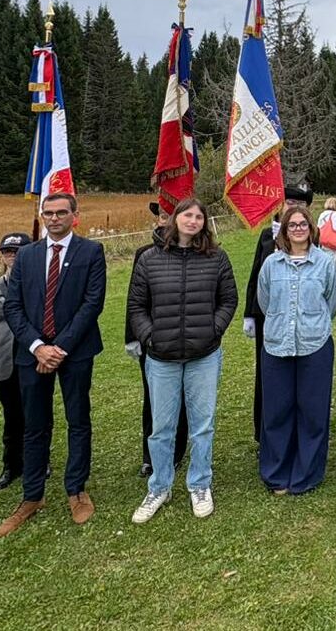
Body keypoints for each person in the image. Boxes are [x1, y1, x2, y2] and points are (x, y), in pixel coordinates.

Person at [0, 192, 108, 536]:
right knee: (34, 425)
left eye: (61, 212)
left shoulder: (90, 252)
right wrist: (37, 347)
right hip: (31, 354)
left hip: (75, 351)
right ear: (42, 216)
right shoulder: (27, 256)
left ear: (75, 215)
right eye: (48, 213)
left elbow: (92, 304)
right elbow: (13, 305)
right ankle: (32, 496)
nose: (54, 218)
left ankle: (76, 488)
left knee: (78, 420)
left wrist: (58, 347)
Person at [127, 198, 238, 521]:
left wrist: (212, 330)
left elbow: (228, 299)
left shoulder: (216, 258)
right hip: (161, 357)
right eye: (187, 215)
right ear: (174, 219)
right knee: (161, 428)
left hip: (203, 355)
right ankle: (159, 486)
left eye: (198, 216)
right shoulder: (149, 259)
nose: (193, 221)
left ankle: (200, 483)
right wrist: (150, 336)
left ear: (204, 222)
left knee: (202, 426)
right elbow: (137, 306)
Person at [257, 204, 336, 495]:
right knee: (277, 411)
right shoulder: (271, 264)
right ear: (284, 230)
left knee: (312, 412)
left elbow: (331, 303)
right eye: (292, 225)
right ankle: (277, 472)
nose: (298, 229)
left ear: (311, 228)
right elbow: (264, 301)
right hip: (277, 346)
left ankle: (306, 473)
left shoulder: (326, 264)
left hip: (314, 345)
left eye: (302, 224)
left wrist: (310, 325)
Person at [245, 186, 316, 442]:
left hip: (301, 319)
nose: (293, 206)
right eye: (288, 201)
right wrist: (249, 314)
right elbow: (255, 276)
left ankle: (297, 428)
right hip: (269, 317)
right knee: (267, 376)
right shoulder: (266, 236)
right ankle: (263, 430)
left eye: (299, 202)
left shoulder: (310, 238)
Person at [126, 203, 188, 480]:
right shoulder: (144, 254)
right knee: (153, 400)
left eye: (171, 216)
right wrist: (135, 336)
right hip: (153, 340)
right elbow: (135, 300)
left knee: (185, 399)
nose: (166, 222)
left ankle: (176, 452)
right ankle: (150, 455)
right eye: (162, 216)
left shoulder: (195, 252)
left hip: (188, 339)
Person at [0, 233, 29, 492]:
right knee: (12, 414)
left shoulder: (37, 284)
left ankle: (39, 459)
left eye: (17, 251)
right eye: (7, 251)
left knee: (36, 412)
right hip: (3, 358)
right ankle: (11, 464)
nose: (12, 256)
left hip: (30, 356)